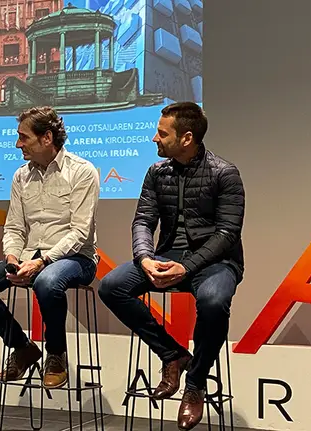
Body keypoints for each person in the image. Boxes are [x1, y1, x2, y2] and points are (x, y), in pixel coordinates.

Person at [98, 102, 244, 430]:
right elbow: (143, 221)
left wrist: (187, 267)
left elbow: (227, 234)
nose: (155, 139)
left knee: (214, 302)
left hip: (216, 261)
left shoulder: (225, 173)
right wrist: (145, 258)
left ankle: (195, 383)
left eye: (162, 134)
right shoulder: (157, 172)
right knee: (111, 286)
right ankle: (172, 354)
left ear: (186, 138)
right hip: (167, 256)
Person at [0, 106, 99, 389]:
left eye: (23, 137)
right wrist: (13, 257)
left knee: (47, 282)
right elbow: (14, 227)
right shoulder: (20, 176)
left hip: (77, 258)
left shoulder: (82, 171)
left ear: (47, 137)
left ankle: (56, 354)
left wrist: (42, 262)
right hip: (30, 256)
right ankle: (22, 347)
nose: (17, 144)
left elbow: (80, 232)